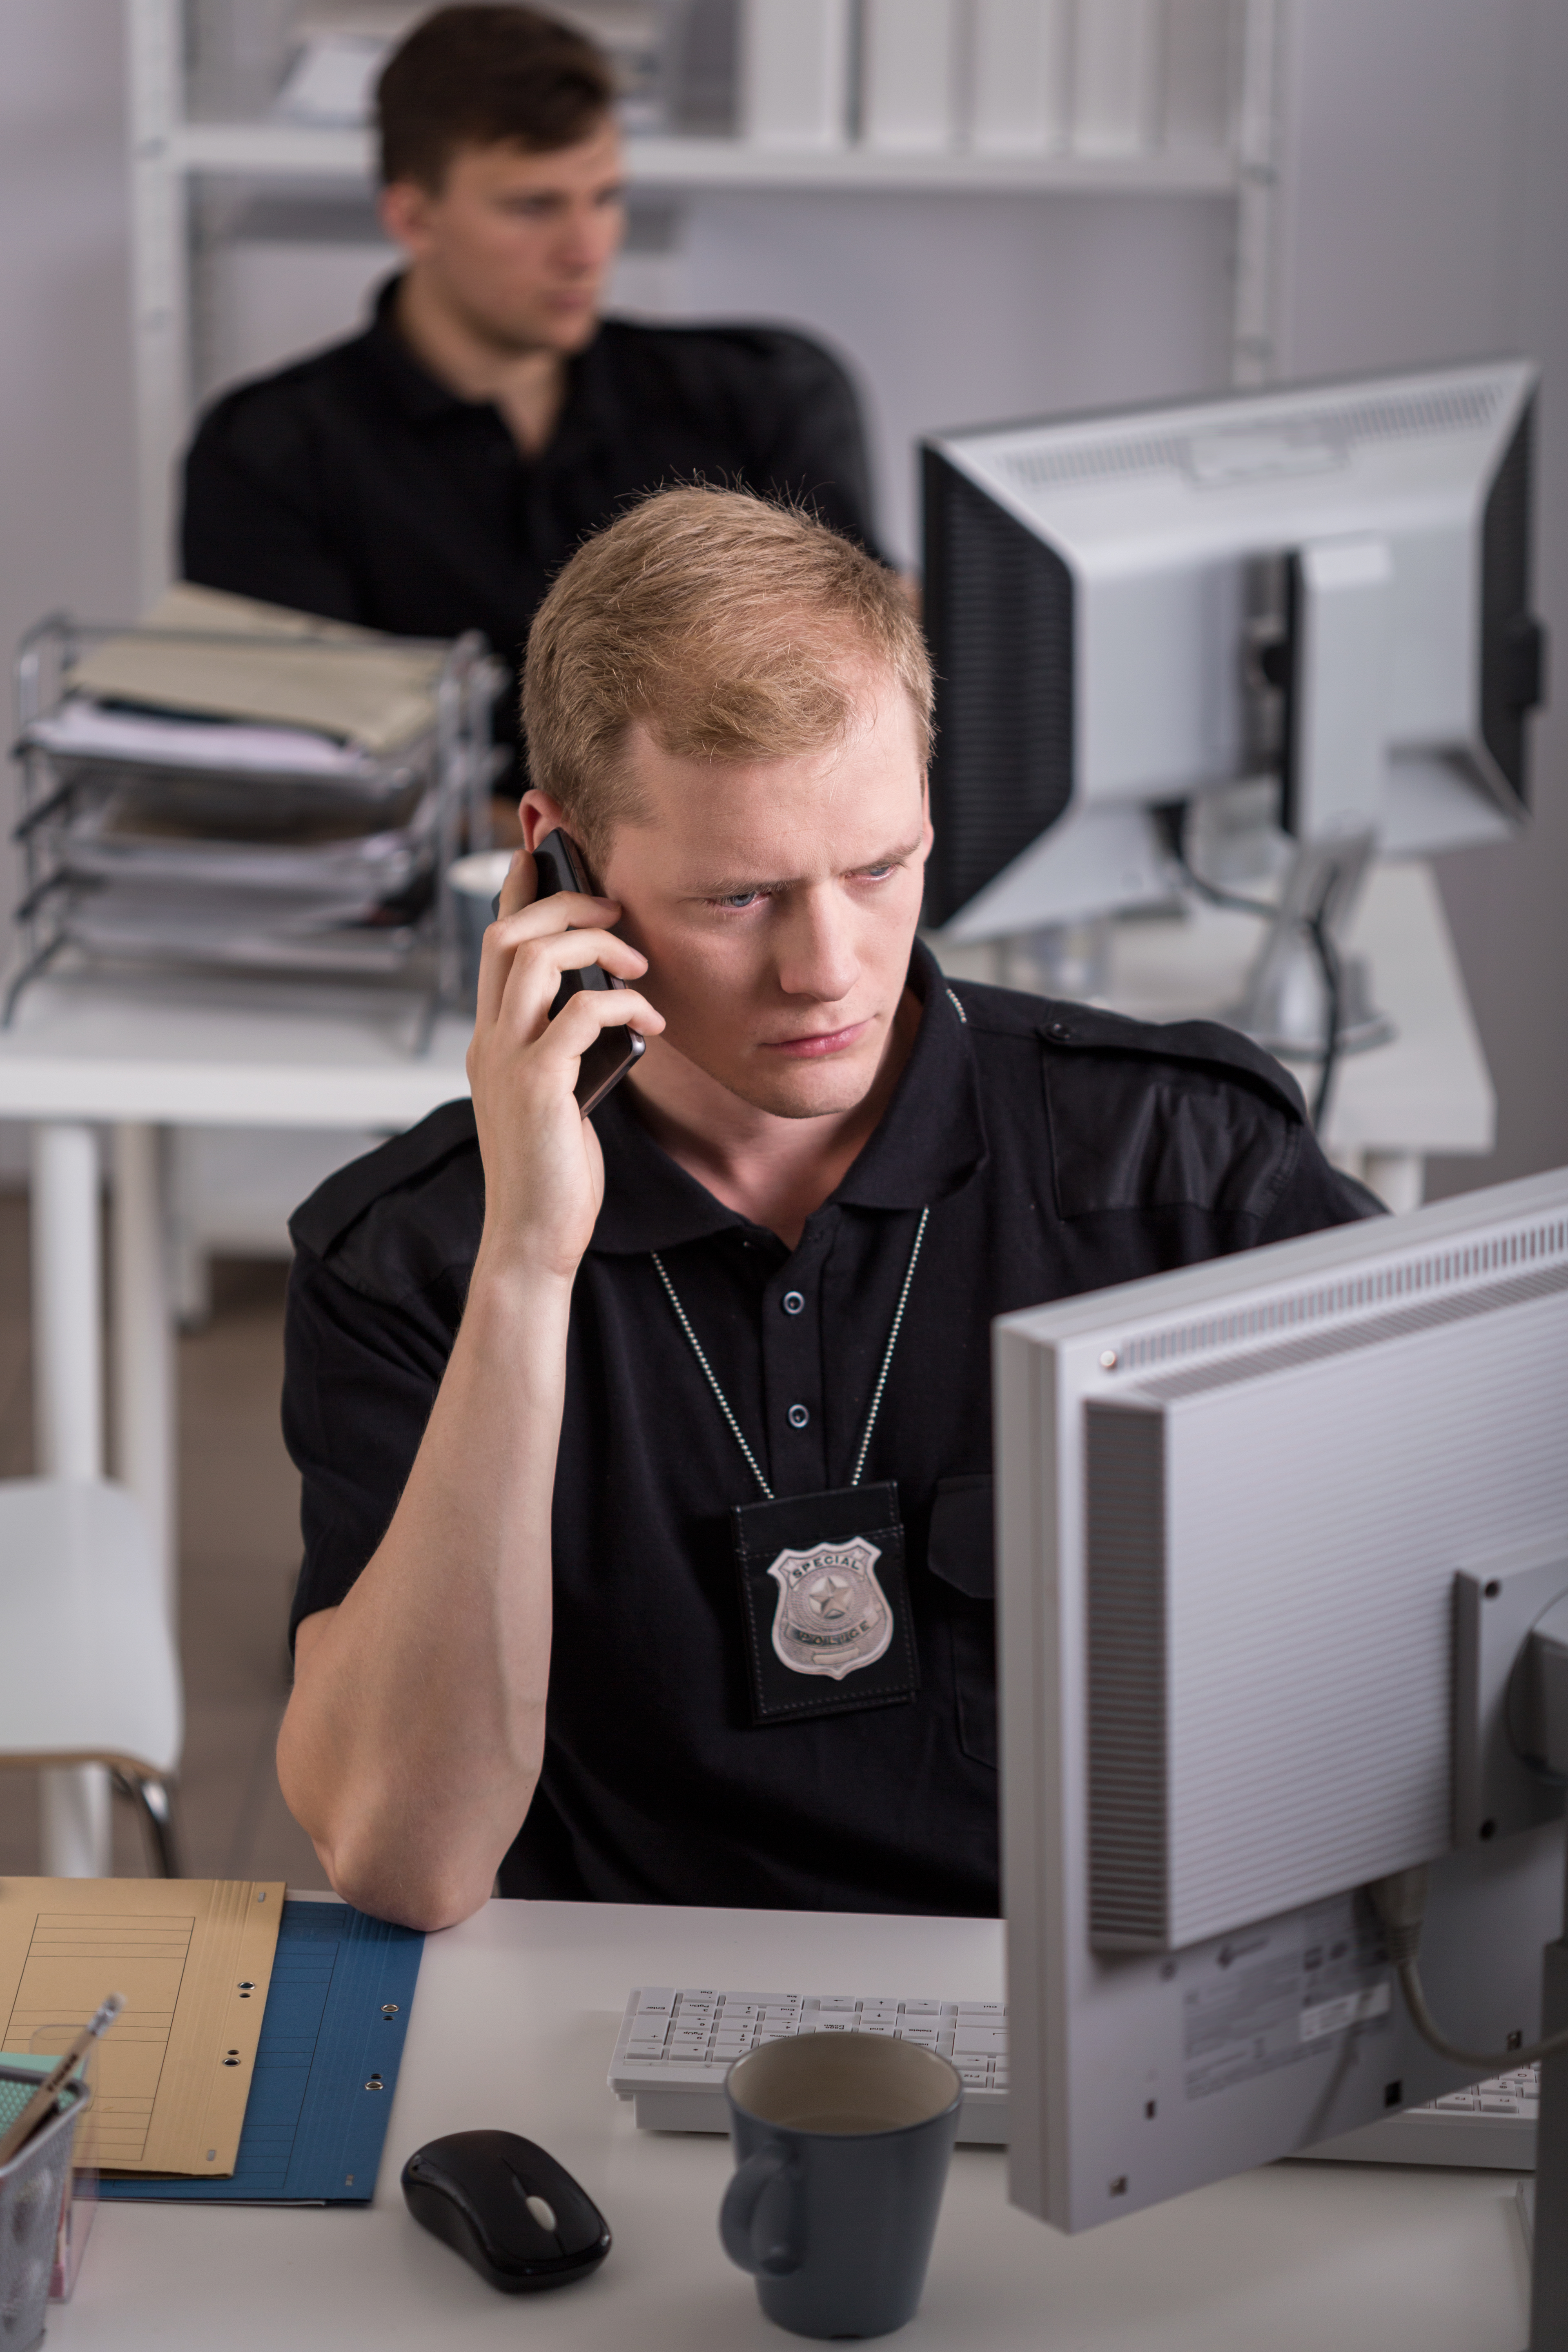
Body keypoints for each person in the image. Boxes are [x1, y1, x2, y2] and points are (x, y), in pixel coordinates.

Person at [276, 486, 1378, 1933]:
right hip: (614, 2026)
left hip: (1082, 2003)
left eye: (878, 870)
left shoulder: (1185, 1165)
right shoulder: (411, 1258)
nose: (829, 970)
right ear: (561, 867)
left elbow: (1429, 1654)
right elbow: (406, 1861)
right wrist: (528, 1269)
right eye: (740, 897)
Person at [179, 5, 880, 806]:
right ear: (412, 216)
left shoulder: (759, 396)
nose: (587, 248)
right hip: (428, 922)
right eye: (534, 206)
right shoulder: (268, 456)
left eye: (606, 196)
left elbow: (849, 732)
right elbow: (316, 801)